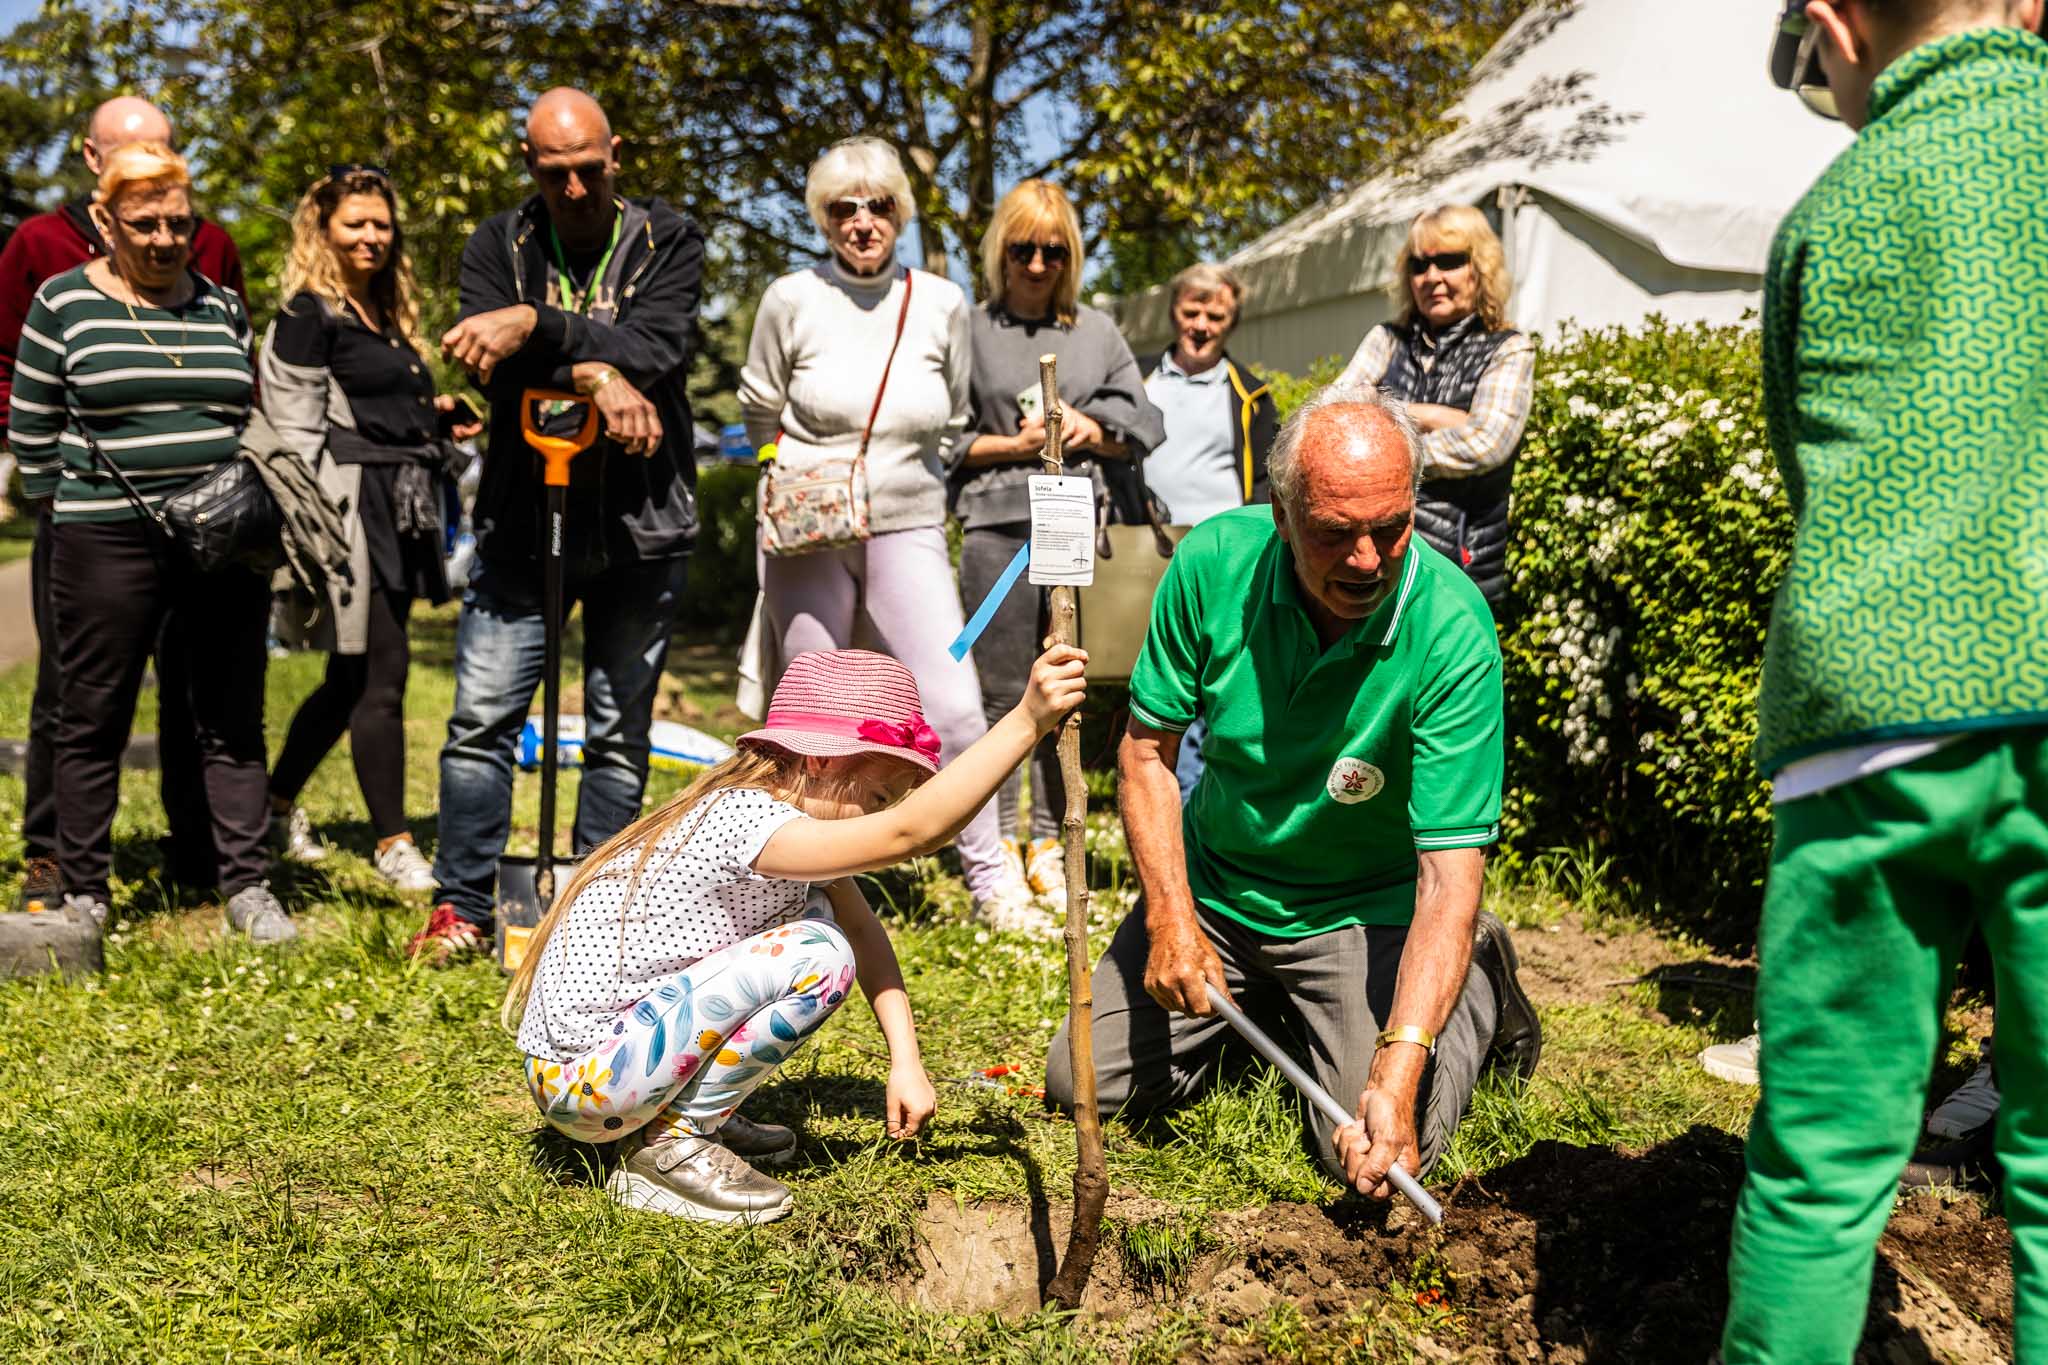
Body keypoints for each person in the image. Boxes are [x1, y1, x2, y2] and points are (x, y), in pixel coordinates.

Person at [1726, 3, 2048, 1357]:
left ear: (1836, 29)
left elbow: (1812, 468)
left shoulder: (1826, 211)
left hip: (1865, 700)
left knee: (1821, 1163)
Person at [1045, 383, 1542, 1193]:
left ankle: (1474, 986)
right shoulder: (1212, 564)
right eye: (1336, 533)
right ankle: (1276, 1006)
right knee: (1081, 1079)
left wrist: (1403, 1052)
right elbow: (1145, 757)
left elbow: (1449, 874)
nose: (1368, 560)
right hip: (1217, 894)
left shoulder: (1454, 629)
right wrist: (1171, 914)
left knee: (1367, 1142)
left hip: (1362, 912)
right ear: (1281, 513)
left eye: (1391, 528)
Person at [508, 642, 1088, 1223]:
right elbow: (912, 834)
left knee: (833, 936)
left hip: (599, 1074)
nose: (880, 813)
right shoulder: (750, 822)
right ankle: (670, 1147)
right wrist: (1026, 721)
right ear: (820, 762)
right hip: (585, 1085)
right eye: (878, 797)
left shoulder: (771, 819)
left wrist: (906, 1060)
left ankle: (679, 1113)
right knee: (820, 952)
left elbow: (866, 928)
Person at [413, 88, 705, 962]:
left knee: (620, 731)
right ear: (529, 165)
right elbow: (488, 366)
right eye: (554, 173)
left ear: (616, 154)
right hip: (519, 523)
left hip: (639, 526)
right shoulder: (496, 245)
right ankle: (462, 905)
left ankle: (592, 911)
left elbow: (662, 346)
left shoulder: (669, 239)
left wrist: (537, 323)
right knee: (482, 720)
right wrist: (598, 376)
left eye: (587, 169)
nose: (573, 189)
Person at [737, 137, 1037, 931]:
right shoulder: (790, 296)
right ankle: (804, 889)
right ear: (823, 219)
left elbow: (955, 418)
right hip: (809, 526)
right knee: (806, 721)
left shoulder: (939, 301)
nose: (862, 221)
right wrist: (780, 469)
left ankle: (988, 878)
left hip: (906, 517)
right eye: (844, 207)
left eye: (878, 206)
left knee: (956, 704)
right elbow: (759, 402)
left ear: (900, 214)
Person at [7, 142, 288, 941]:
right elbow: (32, 431)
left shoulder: (222, 304)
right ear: (105, 220)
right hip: (104, 537)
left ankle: (246, 884)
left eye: (179, 222)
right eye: (144, 224)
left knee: (230, 713)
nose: (166, 240)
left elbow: (243, 412)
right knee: (92, 713)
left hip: (219, 535)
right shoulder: (63, 303)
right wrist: (69, 513)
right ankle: (86, 889)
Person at [259, 166, 483, 892]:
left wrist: (435, 414)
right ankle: (393, 842)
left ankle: (272, 805)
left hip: (403, 505)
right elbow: (290, 435)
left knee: (350, 675)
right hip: (352, 515)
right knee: (381, 678)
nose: (371, 236)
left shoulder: (380, 316)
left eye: (381, 223)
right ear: (322, 228)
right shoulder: (308, 313)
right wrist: (308, 537)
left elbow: (377, 406)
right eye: (355, 222)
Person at [949, 179, 1165, 915]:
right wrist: (1009, 443)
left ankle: (1045, 838)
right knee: (998, 693)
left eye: (1052, 250)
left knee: (1061, 687)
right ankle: (991, 854)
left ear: (1069, 255)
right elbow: (941, 438)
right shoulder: (967, 327)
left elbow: (1145, 419)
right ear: (999, 252)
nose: (1037, 264)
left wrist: (1090, 431)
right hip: (995, 525)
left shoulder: (1095, 331)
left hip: (1071, 525)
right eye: (1022, 249)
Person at [1337, 205, 1534, 612]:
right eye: (1419, 264)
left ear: (1479, 268)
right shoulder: (1386, 340)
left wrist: (1380, 436)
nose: (1432, 278)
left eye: (1449, 261)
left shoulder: (1508, 347)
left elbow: (1486, 443)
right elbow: (1335, 418)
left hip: (1460, 562)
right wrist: (1430, 416)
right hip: (1376, 557)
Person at [1136, 261, 1280, 802]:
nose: (1200, 324)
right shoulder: (1137, 380)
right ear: (1173, 313)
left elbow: (1267, 474)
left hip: (1223, 555)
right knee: (1155, 674)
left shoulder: (1251, 393)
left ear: (1231, 322)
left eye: (1214, 315)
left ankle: (1200, 797)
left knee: (1214, 671)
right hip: (1147, 548)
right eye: (1191, 311)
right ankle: (1153, 785)